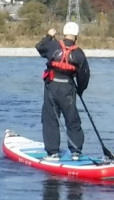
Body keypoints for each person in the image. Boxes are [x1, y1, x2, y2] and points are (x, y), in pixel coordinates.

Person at [35, 22, 89, 161]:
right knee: (72, 120)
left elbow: (39, 47)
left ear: (64, 33)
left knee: (50, 119)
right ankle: (76, 152)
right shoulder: (79, 53)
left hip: (51, 87)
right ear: (76, 36)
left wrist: (49, 36)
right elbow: (84, 76)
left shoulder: (53, 45)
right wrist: (80, 91)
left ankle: (52, 153)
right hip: (68, 90)